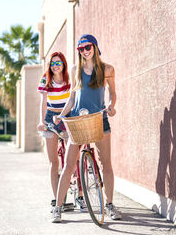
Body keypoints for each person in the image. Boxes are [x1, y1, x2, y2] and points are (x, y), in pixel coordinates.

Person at [52, 34, 122, 223]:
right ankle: (57, 208)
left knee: (106, 164)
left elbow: (112, 93)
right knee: (68, 165)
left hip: (100, 118)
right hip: (78, 121)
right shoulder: (76, 69)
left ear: (95, 46)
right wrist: (62, 115)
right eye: (81, 49)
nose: (84, 51)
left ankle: (109, 205)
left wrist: (111, 106)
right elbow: (72, 99)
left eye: (87, 46)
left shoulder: (107, 69)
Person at [37, 51, 71, 210]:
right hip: (50, 116)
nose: (55, 66)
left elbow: (74, 98)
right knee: (53, 161)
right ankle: (58, 199)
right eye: (52, 63)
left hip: (66, 116)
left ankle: (79, 195)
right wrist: (41, 121)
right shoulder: (46, 78)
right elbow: (44, 102)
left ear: (63, 64)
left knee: (72, 159)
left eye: (58, 63)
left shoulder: (70, 78)